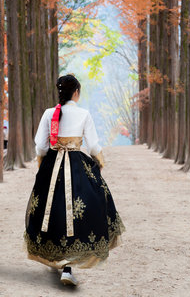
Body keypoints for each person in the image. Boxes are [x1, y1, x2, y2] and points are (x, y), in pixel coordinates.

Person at [24, 74, 124, 286]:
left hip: (52, 165)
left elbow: (40, 146)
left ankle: (57, 260)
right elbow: (94, 145)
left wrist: (43, 164)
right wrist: (100, 162)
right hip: (77, 165)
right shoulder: (84, 114)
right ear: (76, 92)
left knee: (52, 211)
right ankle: (68, 266)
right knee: (80, 210)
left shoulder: (48, 113)